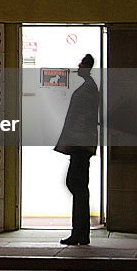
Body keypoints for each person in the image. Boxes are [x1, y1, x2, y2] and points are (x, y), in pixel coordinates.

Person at [54, 53, 100, 246]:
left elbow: (81, 119)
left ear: (87, 67)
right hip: (81, 145)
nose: (78, 66)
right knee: (78, 186)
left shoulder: (88, 89)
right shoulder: (89, 88)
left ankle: (80, 232)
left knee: (76, 184)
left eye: (81, 64)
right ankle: (80, 231)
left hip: (80, 145)